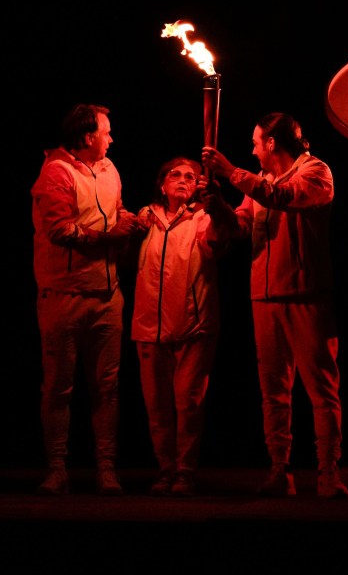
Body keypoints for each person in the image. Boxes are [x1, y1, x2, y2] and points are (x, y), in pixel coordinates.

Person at [202, 112, 348, 498]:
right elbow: (240, 226)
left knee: (321, 388)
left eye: (255, 143)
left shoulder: (316, 173)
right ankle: (279, 469)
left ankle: (328, 473)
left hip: (306, 295)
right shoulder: (262, 182)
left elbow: (285, 199)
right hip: (264, 296)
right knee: (273, 390)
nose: (252, 151)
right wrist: (218, 206)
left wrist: (231, 172)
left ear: (271, 144)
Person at [30, 103, 146, 496]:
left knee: (107, 387)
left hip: (107, 295)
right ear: (86, 137)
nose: (111, 138)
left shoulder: (110, 170)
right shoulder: (55, 173)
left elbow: (113, 213)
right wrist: (108, 237)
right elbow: (60, 230)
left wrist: (128, 220)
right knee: (59, 387)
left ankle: (106, 468)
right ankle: (57, 468)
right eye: (106, 132)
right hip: (63, 296)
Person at [130, 156, 236, 497]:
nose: (182, 179)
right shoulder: (145, 220)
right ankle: (165, 469)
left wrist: (217, 207)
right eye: (174, 174)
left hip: (193, 324)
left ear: (196, 186)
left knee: (188, 403)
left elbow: (221, 241)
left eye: (190, 176)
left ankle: (185, 472)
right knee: (157, 405)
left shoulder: (203, 219)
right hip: (150, 325)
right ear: (162, 184)